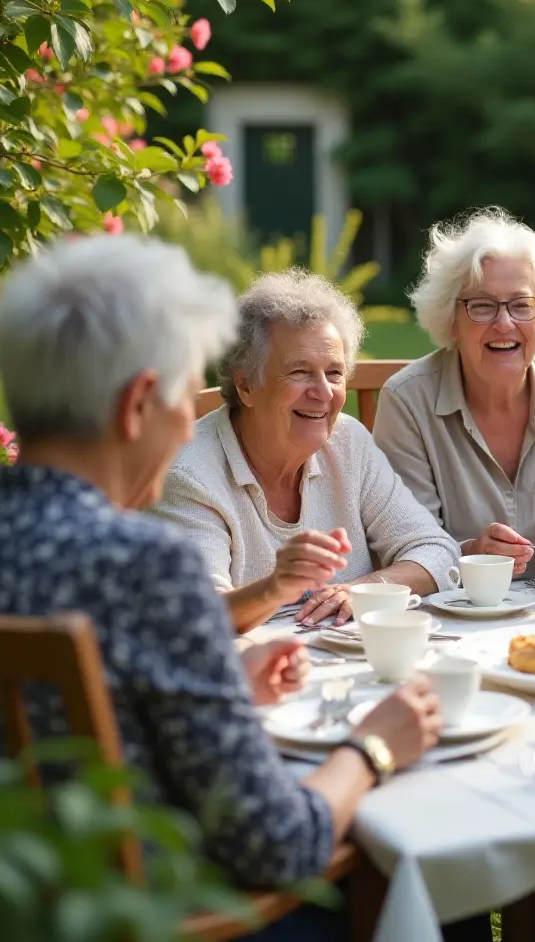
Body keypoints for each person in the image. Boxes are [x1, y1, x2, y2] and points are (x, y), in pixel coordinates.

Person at [0, 237, 442, 930]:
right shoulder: (144, 565)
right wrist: (374, 744)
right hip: (157, 909)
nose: (188, 423)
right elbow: (279, 841)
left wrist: (224, 674)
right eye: (182, 396)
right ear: (137, 404)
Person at [153, 269, 460, 633]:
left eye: (334, 373)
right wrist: (276, 587)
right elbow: (200, 615)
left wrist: (363, 590)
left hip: (353, 665)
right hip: (260, 673)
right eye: (299, 372)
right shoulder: (191, 473)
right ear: (246, 385)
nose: (323, 392)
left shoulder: (349, 443)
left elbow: (436, 550)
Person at [372, 208, 535, 575]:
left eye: (521, 305)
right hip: (458, 613)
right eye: (482, 306)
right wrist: (472, 552)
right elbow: (407, 540)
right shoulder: (407, 401)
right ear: (450, 320)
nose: (505, 323)